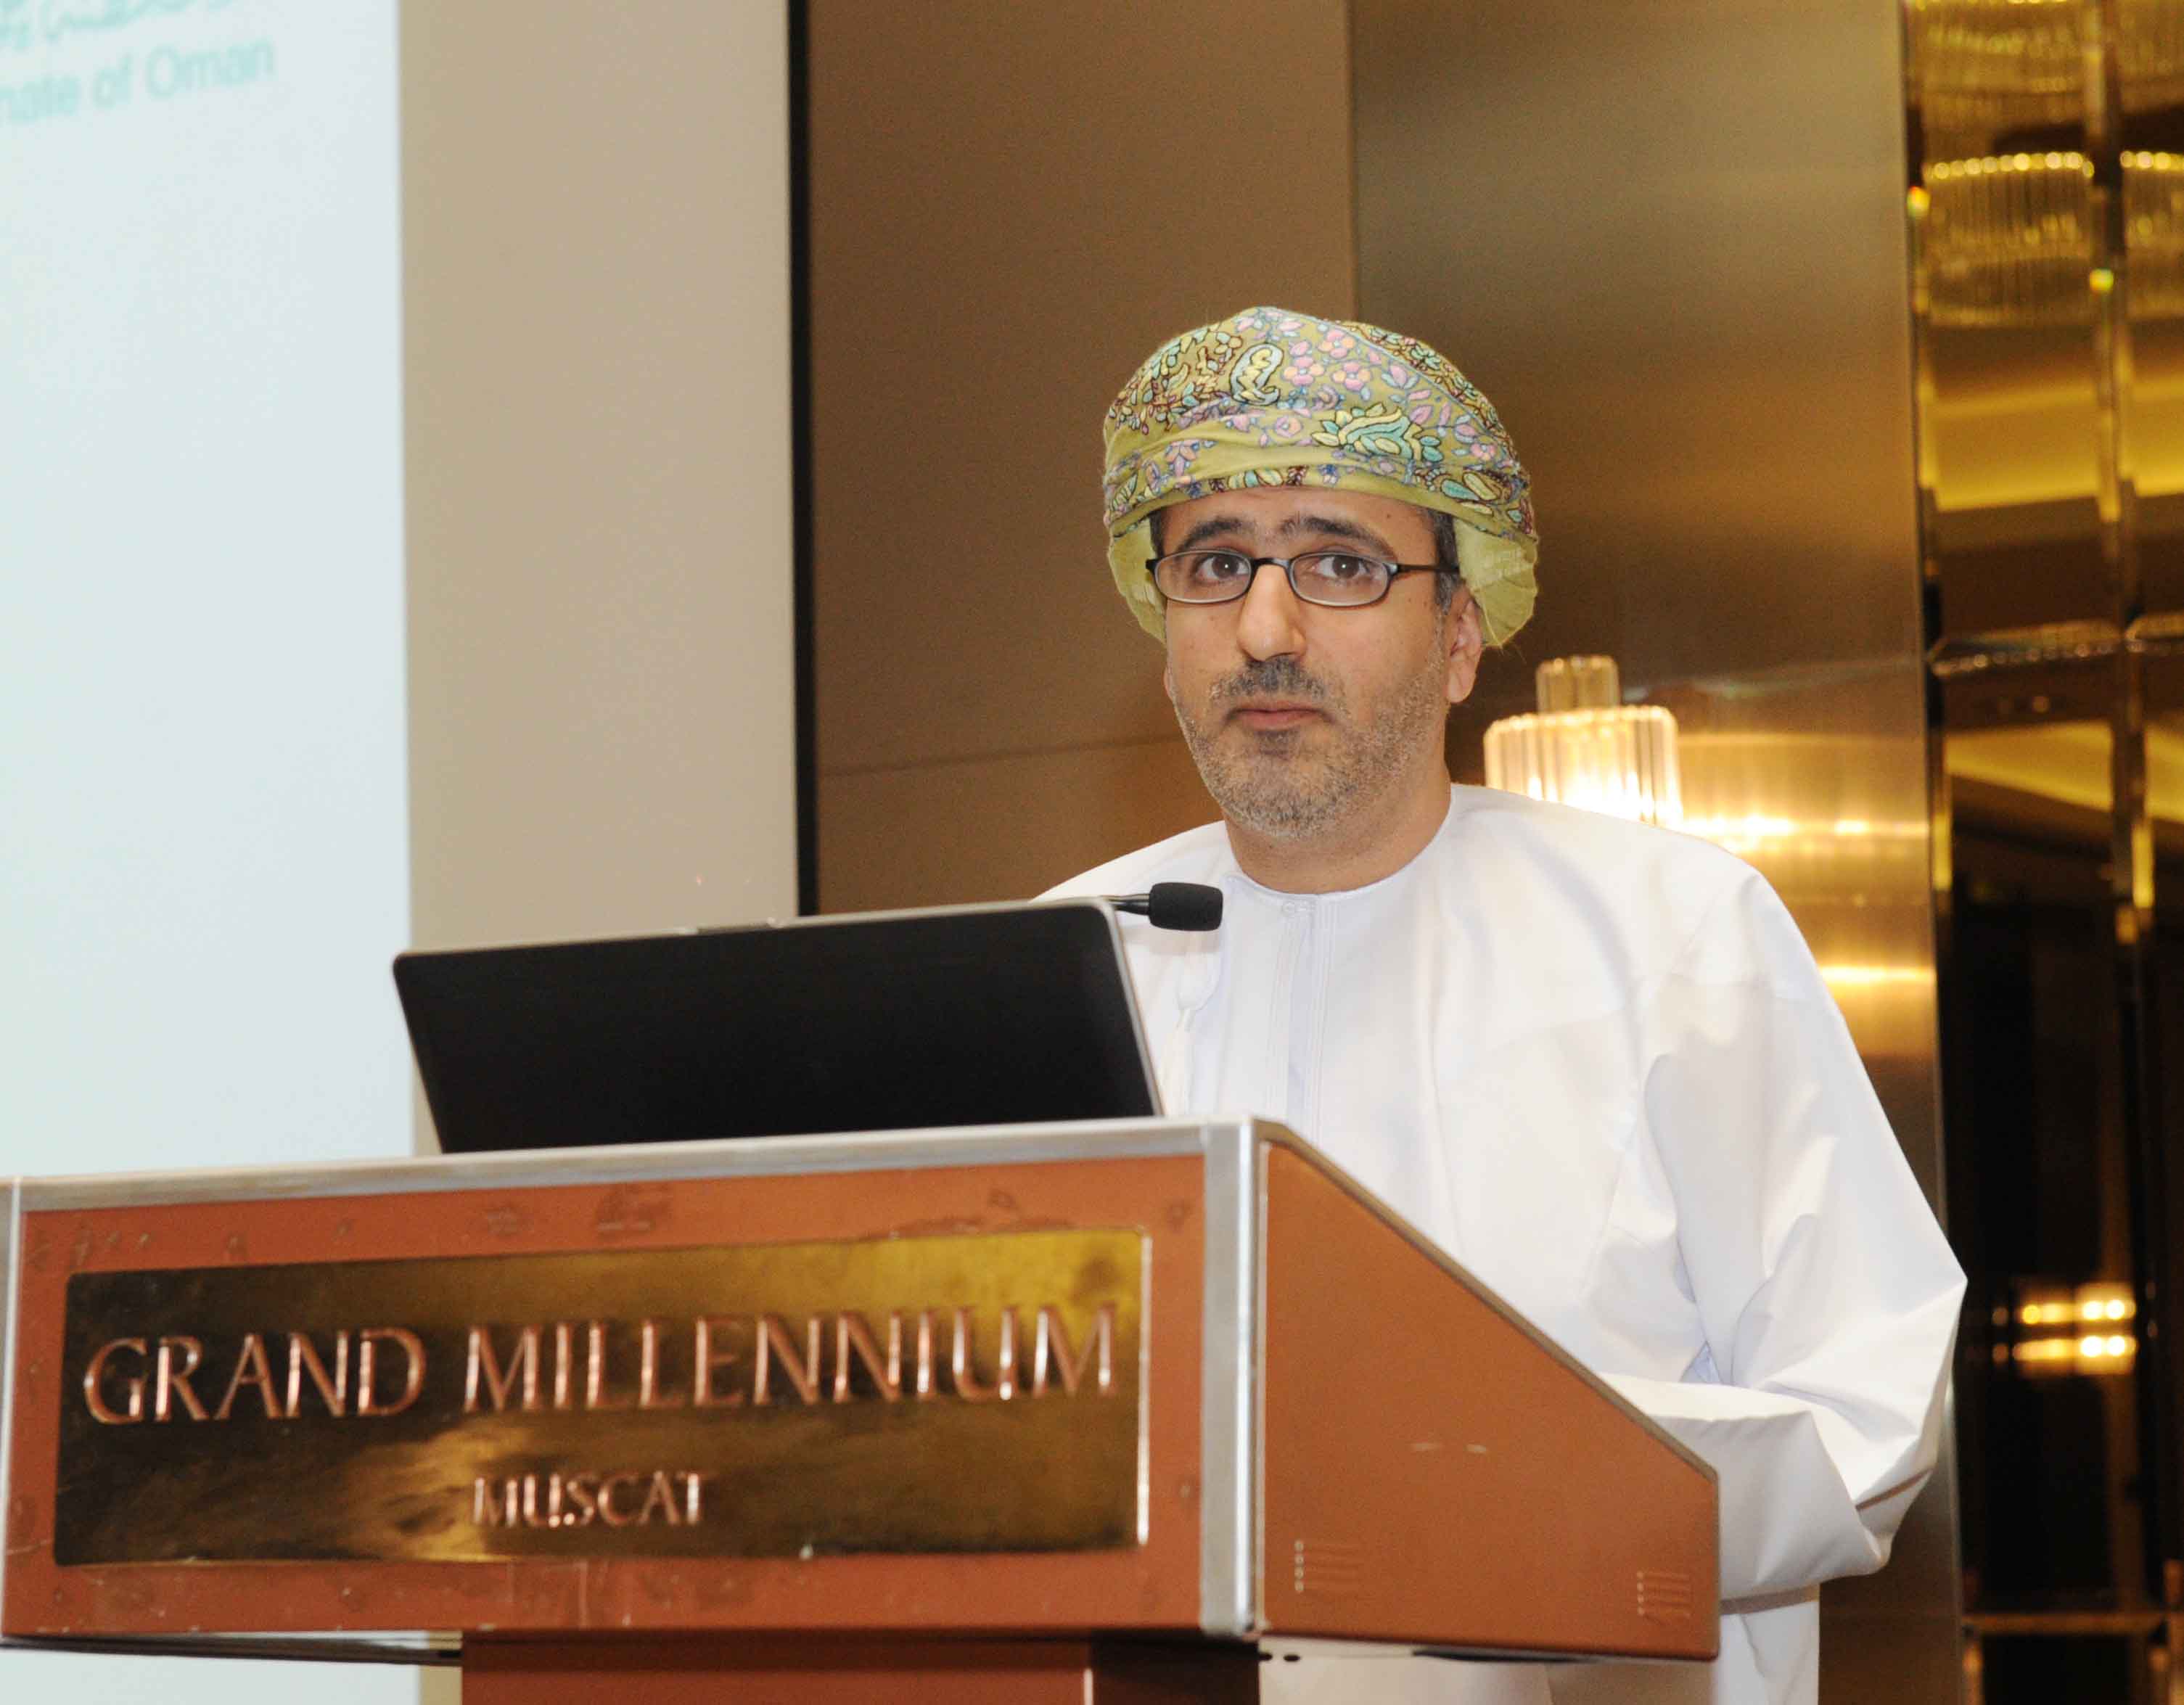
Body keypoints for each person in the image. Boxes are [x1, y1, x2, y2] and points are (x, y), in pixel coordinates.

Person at [1042, 306, 1964, 1705]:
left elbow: (1865, 1406)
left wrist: (1499, 1486)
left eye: (1338, 563)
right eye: (1215, 563)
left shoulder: (1670, 935)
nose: (1264, 629)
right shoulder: (1065, 952)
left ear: (1460, 631)